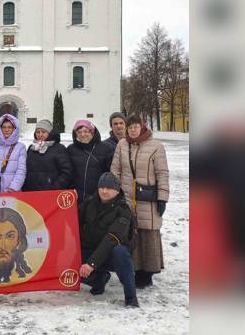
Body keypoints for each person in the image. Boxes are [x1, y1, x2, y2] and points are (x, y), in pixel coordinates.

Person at [111, 114, 169, 288]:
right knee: (131, 233)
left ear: (142, 126)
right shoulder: (122, 144)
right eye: (130, 128)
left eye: (135, 127)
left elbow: (162, 173)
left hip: (148, 197)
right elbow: (116, 169)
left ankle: (148, 272)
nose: (132, 130)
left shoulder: (155, 146)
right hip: (128, 196)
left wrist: (162, 197)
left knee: (148, 233)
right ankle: (133, 269)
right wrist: (115, 191)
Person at [78, 172, 139, 307]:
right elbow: (72, 219)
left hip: (112, 255)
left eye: (109, 188)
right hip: (91, 249)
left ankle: (131, 297)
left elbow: (112, 239)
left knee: (120, 253)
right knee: (69, 260)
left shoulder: (123, 210)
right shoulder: (89, 203)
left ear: (117, 190)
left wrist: (91, 264)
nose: (104, 191)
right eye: (101, 187)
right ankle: (99, 280)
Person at [68, 119, 115, 202]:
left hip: (98, 197)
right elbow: (68, 172)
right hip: (75, 197)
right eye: (79, 132)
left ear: (92, 132)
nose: (83, 134)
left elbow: (110, 172)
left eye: (86, 131)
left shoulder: (105, 148)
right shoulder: (70, 149)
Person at [22, 119, 72, 192]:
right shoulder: (32, 148)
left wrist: (54, 187)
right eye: (38, 132)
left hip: (50, 193)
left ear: (50, 133)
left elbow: (67, 172)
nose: (40, 134)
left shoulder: (59, 148)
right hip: (31, 192)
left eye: (44, 132)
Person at [0, 114, 26, 193]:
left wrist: (14, 187)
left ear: (14, 129)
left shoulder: (20, 147)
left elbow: (21, 170)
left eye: (9, 127)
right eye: (4, 127)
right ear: (0, 128)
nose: (6, 130)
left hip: (12, 191)